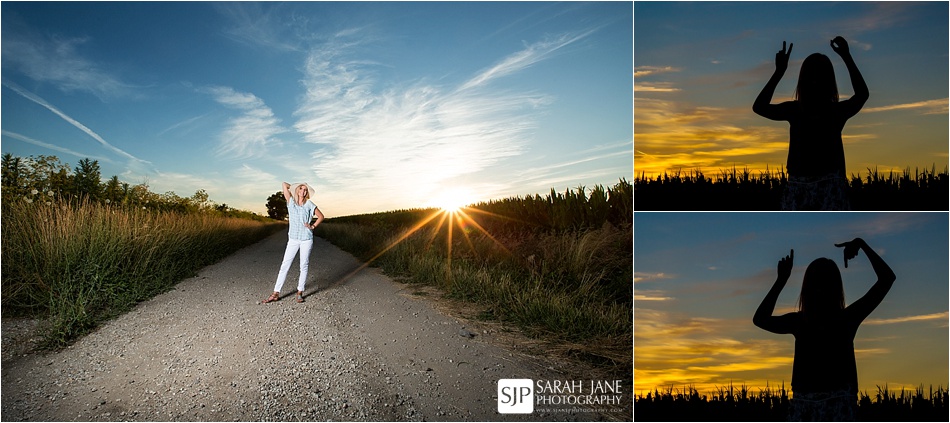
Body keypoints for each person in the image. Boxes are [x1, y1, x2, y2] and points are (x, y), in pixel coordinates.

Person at [753, 238, 896, 421]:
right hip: (836, 408)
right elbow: (887, 279)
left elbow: (760, 319)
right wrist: (861, 244)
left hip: (808, 408)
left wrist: (781, 280)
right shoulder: (845, 319)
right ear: (836, 287)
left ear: (806, 288)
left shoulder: (801, 322)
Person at [753, 36, 869, 210]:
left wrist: (779, 72)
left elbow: (759, 107)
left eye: (818, 76)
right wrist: (846, 56)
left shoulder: (806, 111)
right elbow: (759, 107)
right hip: (812, 187)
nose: (815, 81)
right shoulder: (823, 111)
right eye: (812, 76)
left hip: (818, 187)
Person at [262, 181, 325, 304]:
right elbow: (283, 184)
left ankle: (300, 292)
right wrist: (295, 187)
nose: (303, 191)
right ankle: (276, 293)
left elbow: (321, 216)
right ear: (297, 191)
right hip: (293, 239)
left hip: (306, 239)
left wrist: (313, 226)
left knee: (304, 265)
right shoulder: (290, 202)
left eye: (305, 190)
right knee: (285, 265)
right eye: (301, 189)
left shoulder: (309, 204)